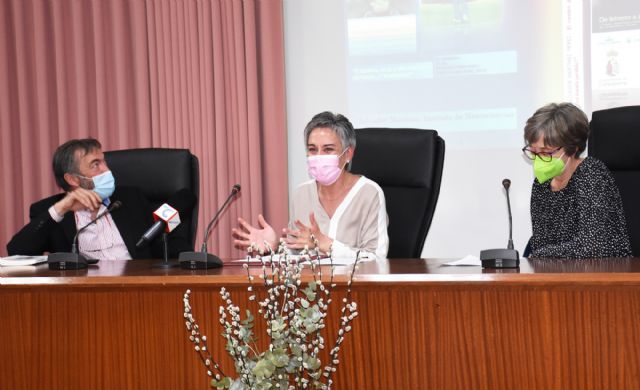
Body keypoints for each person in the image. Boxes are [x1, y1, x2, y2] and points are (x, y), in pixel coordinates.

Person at [233, 112, 389, 260]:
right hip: (311, 287)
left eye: (328, 149)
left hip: (356, 287)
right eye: (312, 149)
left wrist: (326, 244)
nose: (319, 156)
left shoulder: (369, 193)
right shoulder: (301, 194)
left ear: (347, 154)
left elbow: (376, 258)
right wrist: (274, 246)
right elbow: (296, 253)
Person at [7, 138, 193, 260]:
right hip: (83, 299)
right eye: (96, 165)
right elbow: (16, 252)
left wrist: (186, 258)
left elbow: (167, 234)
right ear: (72, 179)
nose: (107, 170)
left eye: (104, 162)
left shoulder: (131, 199)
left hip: (137, 289)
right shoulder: (49, 211)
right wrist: (60, 209)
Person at [522, 102, 631, 258]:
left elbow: (593, 246)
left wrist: (539, 255)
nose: (539, 159)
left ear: (572, 147)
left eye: (546, 153)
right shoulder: (542, 183)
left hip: (604, 274)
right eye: (534, 152)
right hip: (558, 274)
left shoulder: (592, 173)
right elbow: (541, 243)